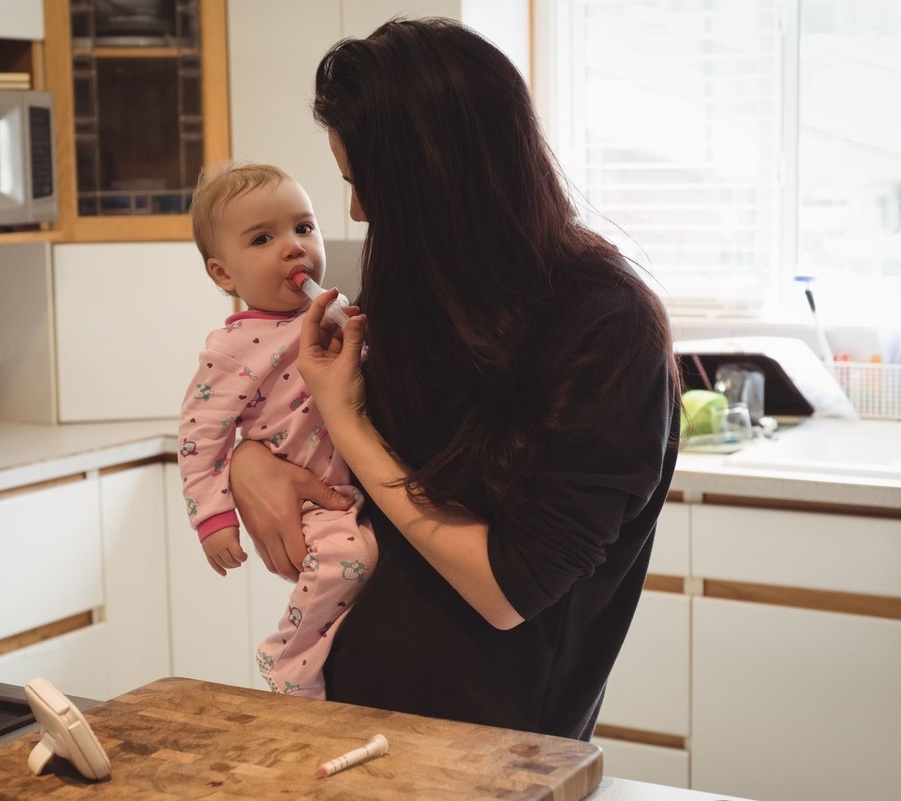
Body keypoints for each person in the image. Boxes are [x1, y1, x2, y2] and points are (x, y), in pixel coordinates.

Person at [227, 17, 680, 740]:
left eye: (363, 184)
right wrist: (248, 461)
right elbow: (344, 465)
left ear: (435, 180)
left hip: (498, 752)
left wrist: (345, 421)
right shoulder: (426, 293)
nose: (356, 211)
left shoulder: (606, 330)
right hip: (352, 721)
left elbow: (505, 589)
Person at [178, 161, 377, 699]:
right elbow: (201, 437)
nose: (294, 247)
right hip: (312, 500)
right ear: (224, 275)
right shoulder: (231, 349)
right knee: (348, 562)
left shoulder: (334, 313)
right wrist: (214, 517)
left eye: (303, 228)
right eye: (264, 238)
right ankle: (288, 658)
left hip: (356, 488)